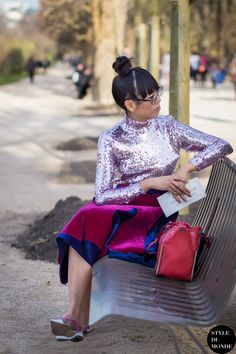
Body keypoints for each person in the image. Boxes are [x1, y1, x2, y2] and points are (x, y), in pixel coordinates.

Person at [50, 56, 233, 342]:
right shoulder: (111, 138)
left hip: (157, 213)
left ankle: (76, 318)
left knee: (84, 222)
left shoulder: (168, 127)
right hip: (124, 209)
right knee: (87, 220)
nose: (157, 100)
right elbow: (103, 195)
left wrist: (187, 167)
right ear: (130, 105)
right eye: (148, 97)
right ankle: (75, 317)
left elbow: (222, 144)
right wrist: (146, 183)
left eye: (156, 92)